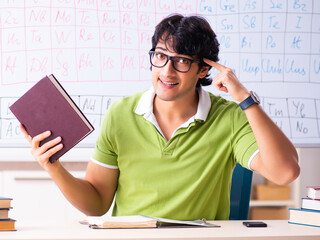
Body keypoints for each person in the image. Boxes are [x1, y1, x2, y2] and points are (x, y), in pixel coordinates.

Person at [20, 14, 300, 220]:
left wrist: (244, 99)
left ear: (204, 70)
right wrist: (54, 168)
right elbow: (97, 204)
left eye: (182, 61)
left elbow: (285, 172)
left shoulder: (228, 117)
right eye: (161, 56)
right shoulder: (121, 114)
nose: (166, 71)